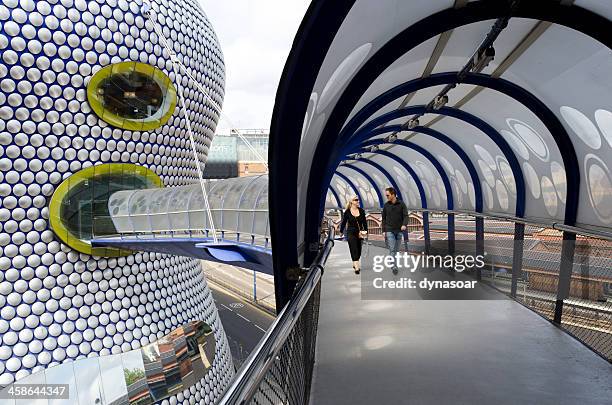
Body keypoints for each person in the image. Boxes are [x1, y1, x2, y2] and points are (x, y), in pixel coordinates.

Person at [382, 187, 408, 274]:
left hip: (399, 230)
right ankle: (394, 266)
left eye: (388, 195)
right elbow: (383, 219)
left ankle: (393, 262)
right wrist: (383, 230)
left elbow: (406, 216)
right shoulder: (386, 205)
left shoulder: (402, 204)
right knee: (392, 249)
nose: (387, 197)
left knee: (396, 250)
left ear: (393, 194)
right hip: (389, 230)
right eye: (386, 195)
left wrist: (404, 224)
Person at [339, 195, 368, 274]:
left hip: (359, 233)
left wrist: (366, 231)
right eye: (356, 200)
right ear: (351, 201)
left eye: (358, 200)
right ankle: (357, 267)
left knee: (358, 250)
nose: (358, 201)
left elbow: (364, 222)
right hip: (351, 232)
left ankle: (355, 262)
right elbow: (344, 222)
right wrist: (341, 231)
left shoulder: (361, 211)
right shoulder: (347, 212)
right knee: (354, 248)